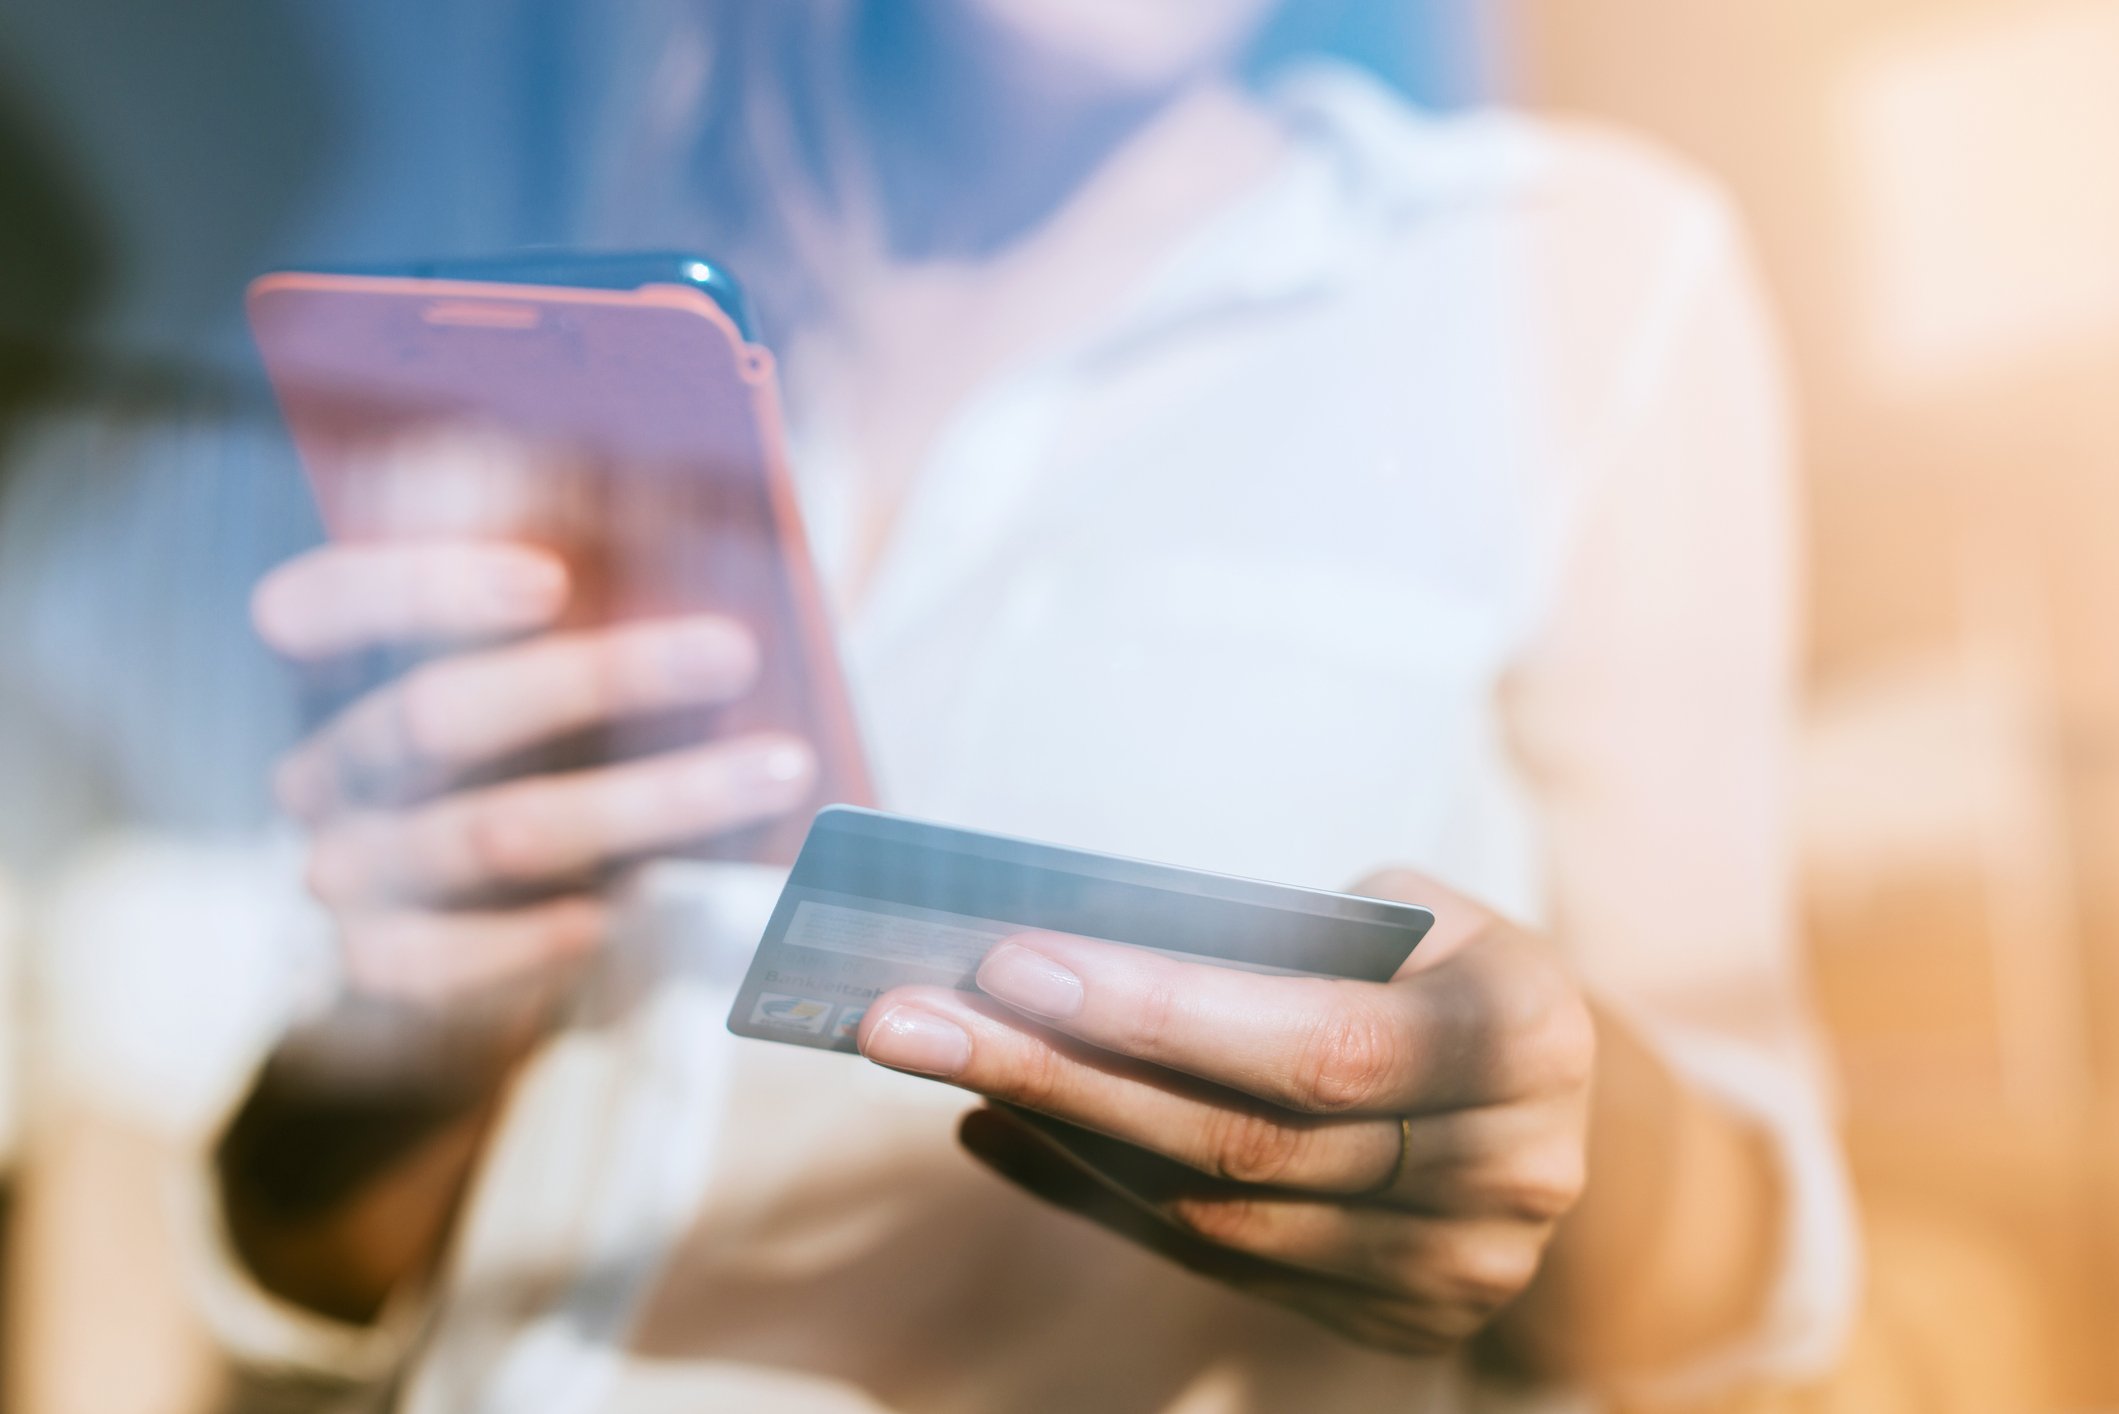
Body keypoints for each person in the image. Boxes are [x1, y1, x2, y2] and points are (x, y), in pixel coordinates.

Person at [206, 2, 1858, 1409]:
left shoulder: (1562, 283)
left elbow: (1757, 1300)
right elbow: (328, 1263)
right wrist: (411, 1035)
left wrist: (1566, 1158)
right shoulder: (610, 359)